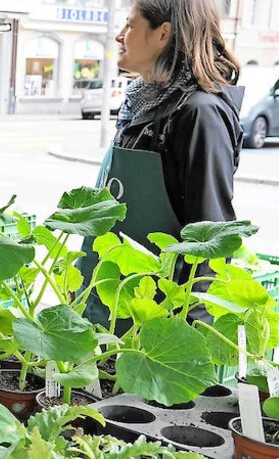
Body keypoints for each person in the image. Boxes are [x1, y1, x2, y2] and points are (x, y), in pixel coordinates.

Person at [78, 0, 244, 328]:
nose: (119, 36)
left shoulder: (200, 114)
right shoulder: (141, 102)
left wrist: (180, 337)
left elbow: (210, 242)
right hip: (106, 305)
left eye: (130, 25)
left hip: (151, 322)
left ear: (163, 34)